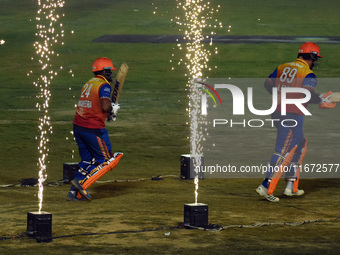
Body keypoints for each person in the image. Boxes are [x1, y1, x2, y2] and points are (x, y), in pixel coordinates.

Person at [256, 42, 336, 202]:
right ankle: (265, 186)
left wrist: (281, 95)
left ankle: (290, 187)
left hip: (278, 111)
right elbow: (307, 94)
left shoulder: (283, 67)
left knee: (299, 145)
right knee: (283, 150)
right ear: (312, 57)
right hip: (291, 115)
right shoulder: (307, 73)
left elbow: (268, 83)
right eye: (315, 59)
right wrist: (321, 99)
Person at [67, 57, 123, 201]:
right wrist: (112, 109)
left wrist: (109, 113)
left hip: (78, 127)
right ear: (103, 71)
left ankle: (73, 193)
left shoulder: (89, 83)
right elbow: (104, 106)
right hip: (92, 129)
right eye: (109, 71)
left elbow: (93, 106)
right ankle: (82, 184)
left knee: (87, 160)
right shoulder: (104, 85)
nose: (110, 74)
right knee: (107, 160)